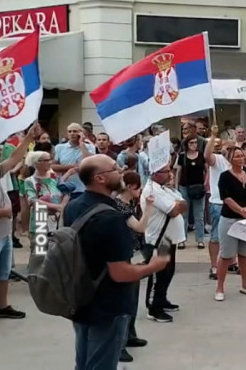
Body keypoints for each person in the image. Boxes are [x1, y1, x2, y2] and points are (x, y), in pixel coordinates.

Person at [63, 155, 169, 370]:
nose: (120, 170)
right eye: (114, 168)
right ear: (100, 178)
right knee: (101, 364)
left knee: (83, 362)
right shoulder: (111, 217)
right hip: (106, 304)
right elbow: (120, 273)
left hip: (80, 296)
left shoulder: (73, 206)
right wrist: (153, 266)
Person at [0, 124, 39, 334]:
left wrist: (27, 139)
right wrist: (2, 213)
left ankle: (2, 306)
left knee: (2, 273)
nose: (0, 154)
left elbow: (15, 158)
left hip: (3, 235)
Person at [114, 172, 154, 363]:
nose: (140, 190)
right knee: (125, 300)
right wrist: (149, 209)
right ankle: (119, 344)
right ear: (130, 187)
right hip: (123, 256)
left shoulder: (127, 204)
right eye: (138, 187)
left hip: (132, 253)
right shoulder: (121, 206)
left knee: (132, 297)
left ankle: (130, 334)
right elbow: (139, 227)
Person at [140, 166, 188, 322]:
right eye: (166, 172)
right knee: (158, 274)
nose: (170, 174)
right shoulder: (153, 190)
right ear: (155, 174)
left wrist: (179, 204)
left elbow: (182, 203)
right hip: (158, 239)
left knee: (168, 271)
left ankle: (162, 299)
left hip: (168, 238)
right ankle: (154, 308)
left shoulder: (165, 188)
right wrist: (178, 205)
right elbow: (174, 210)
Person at [214, 147, 246, 302]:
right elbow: (226, 198)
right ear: (230, 159)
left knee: (244, 254)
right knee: (226, 255)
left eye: (242, 155)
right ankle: (220, 287)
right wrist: (241, 210)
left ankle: (245, 285)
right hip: (229, 219)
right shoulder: (225, 177)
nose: (241, 158)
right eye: (237, 156)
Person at [24, 151, 70, 254]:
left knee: (56, 253)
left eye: (50, 159)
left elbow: (66, 192)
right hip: (40, 218)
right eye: (45, 160)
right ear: (36, 163)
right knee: (40, 254)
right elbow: (32, 200)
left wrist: (62, 206)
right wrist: (56, 207)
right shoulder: (30, 181)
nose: (49, 162)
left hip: (57, 218)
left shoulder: (55, 178)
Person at [204, 125, 232, 280]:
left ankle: (230, 262)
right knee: (216, 235)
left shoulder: (238, 163)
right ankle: (214, 266)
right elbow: (207, 155)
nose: (227, 150)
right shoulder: (218, 160)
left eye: (231, 148)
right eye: (225, 147)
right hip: (218, 203)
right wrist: (213, 135)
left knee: (233, 236)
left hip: (236, 204)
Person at [174, 136, 207, 249]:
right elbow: (178, 171)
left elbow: (206, 170)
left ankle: (200, 239)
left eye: (195, 143)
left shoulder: (202, 155)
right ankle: (182, 240)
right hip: (185, 186)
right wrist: (176, 186)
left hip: (199, 187)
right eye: (191, 142)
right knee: (183, 215)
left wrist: (206, 183)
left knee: (199, 215)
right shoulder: (182, 156)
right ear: (187, 144)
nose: (194, 145)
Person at [52, 123, 96, 199]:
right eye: (70, 131)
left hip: (83, 188)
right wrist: (72, 167)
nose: (72, 134)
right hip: (65, 187)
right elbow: (52, 166)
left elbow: (88, 162)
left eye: (75, 131)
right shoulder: (59, 147)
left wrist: (81, 143)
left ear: (81, 133)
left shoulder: (90, 147)